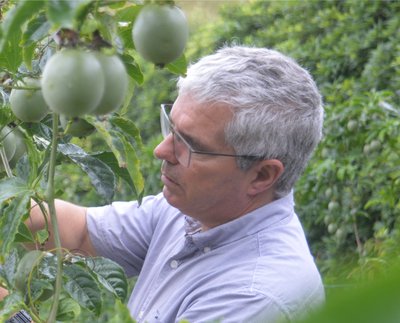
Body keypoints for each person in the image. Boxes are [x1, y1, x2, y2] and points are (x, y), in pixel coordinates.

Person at [2, 45, 325, 322]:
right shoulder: (197, 212)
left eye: (189, 144)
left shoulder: (253, 298)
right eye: (170, 127)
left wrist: (9, 311)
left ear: (261, 175)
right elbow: (80, 232)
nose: (162, 150)